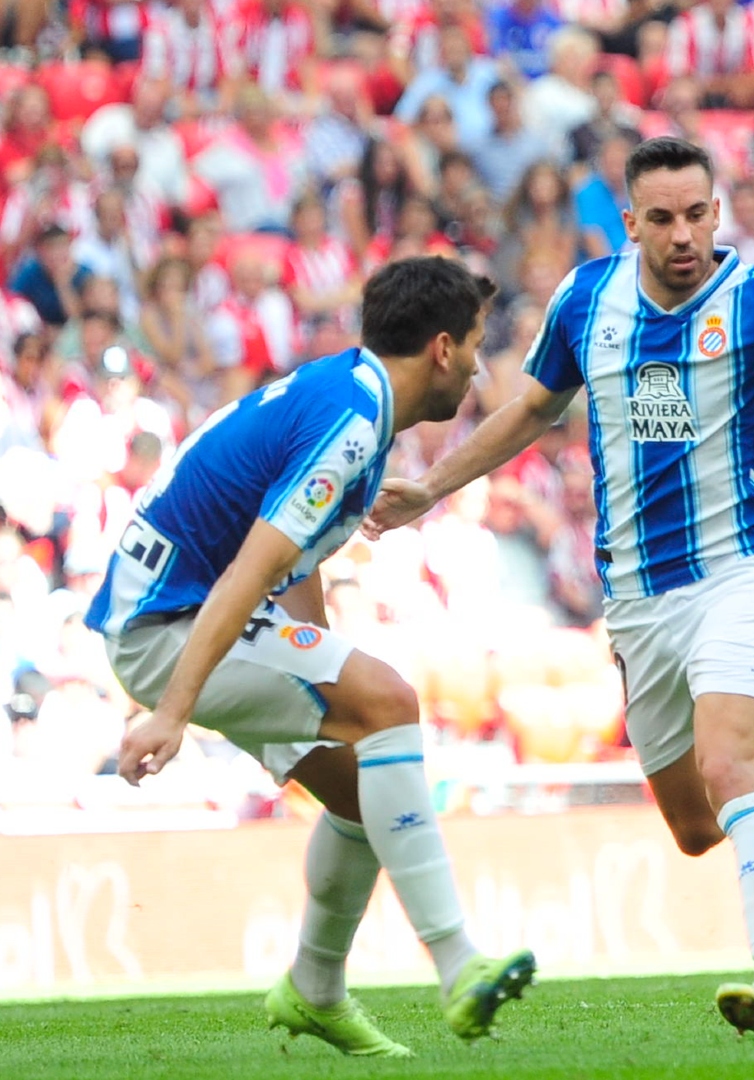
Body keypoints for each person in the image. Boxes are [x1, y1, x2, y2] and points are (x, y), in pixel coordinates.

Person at [364, 136, 754, 1039]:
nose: (682, 233)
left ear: (717, 213)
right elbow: (532, 407)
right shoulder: (586, 297)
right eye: (662, 218)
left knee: (727, 769)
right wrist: (434, 486)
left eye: (697, 214)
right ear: (630, 222)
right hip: (637, 596)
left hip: (737, 569)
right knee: (693, 824)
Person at [89, 258, 534, 1058]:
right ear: (440, 348)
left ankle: (315, 990)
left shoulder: (351, 397)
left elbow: (288, 568)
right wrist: (172, 713)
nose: (475, 366)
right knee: (392, 704)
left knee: (371, 790)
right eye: (471, 346)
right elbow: (248, 572)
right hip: (166, 622)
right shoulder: (353, 423)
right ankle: (460, 965)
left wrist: (331, 668)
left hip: (177, 608)